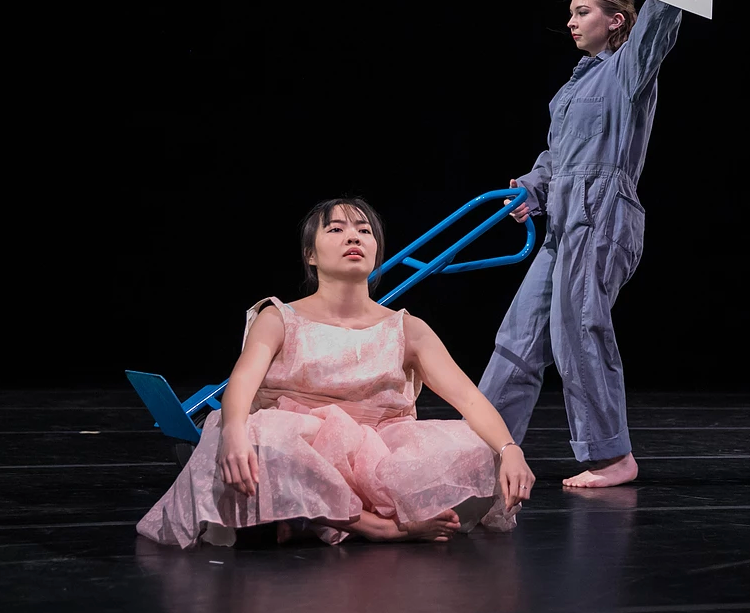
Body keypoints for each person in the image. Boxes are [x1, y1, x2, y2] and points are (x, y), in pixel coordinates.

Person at [477, 0, 722, 489]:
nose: (570, 21)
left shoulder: (628, 71)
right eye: (570, 12)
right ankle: (483, 446)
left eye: (582, 11)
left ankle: (612, 454)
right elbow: (555, 158)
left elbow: (660, 19)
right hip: (565, 219)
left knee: (579, 328)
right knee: (518, 336)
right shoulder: (572, 88)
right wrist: (531, 189)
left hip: (603, 214)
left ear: (616, 21)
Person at [138, 197, 536, 548]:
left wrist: (509, 449)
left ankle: (308, 519)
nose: (353, 237)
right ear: (310, 254)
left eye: (364, 230)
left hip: (380, 453)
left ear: (376, 251)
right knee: (252, 434)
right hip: (299, 447)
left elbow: (467, 398)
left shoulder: (407, 329)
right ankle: (377, 527)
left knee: (482, 449)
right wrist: (234, 432)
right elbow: (242, 382)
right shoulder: (279, 317)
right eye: (336, 229)